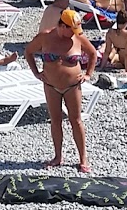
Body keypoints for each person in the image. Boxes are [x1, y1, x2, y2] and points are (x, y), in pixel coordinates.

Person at [25, 9, 97, 172]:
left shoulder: (78, 37)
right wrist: (36, 73)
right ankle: (58, 156)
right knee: (55, 120)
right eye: (71, 29)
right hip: (51, 86)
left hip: (72, 86)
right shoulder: (45, 36)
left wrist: (88, 75)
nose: (73, 33)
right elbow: (28, 52)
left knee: (76, 120)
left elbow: (93, 53)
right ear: (62, 25)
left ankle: (83, 158)